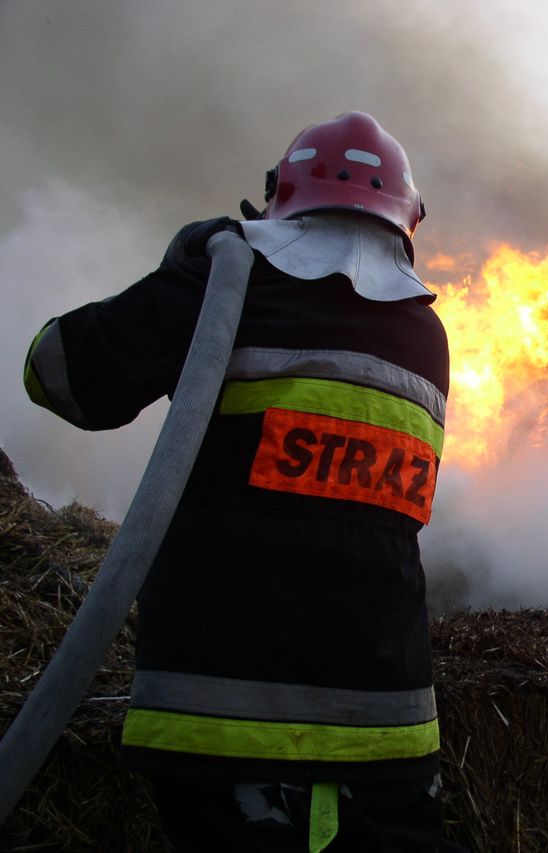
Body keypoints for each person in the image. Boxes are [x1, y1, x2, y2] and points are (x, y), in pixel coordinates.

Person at [23, 111, 457, 852]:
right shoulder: (426, 334)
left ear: (282, 196)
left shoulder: (230, 280)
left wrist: (183, 271)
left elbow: (59, 374)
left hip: (224, 721)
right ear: (406, 221)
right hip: (384, 731)